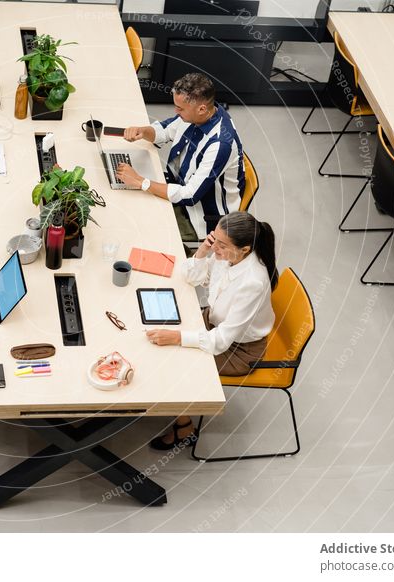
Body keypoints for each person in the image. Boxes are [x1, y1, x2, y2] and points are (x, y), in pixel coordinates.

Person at [145, 211, 277, 450]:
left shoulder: (252, 282)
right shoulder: (226, 255)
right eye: (214, 238)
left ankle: (185, 429)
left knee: (175, 359)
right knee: (160, 330)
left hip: (239, 349)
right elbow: (190, 277)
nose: (216, 247)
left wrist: (177, 337)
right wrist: (202, 252)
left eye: (221, 244)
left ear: (244, 249)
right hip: (212, 322)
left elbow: (223, 340)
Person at [116, 73, 244, 239]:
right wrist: (142, 131)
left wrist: (141, 182)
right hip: (175, 185)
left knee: (138, 226)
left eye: (180, 108)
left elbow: (189, 195)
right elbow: (165, 131)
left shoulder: (220, 145)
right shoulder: (197, 116)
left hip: (198, 216)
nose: (176, 111)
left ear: (202, 109)